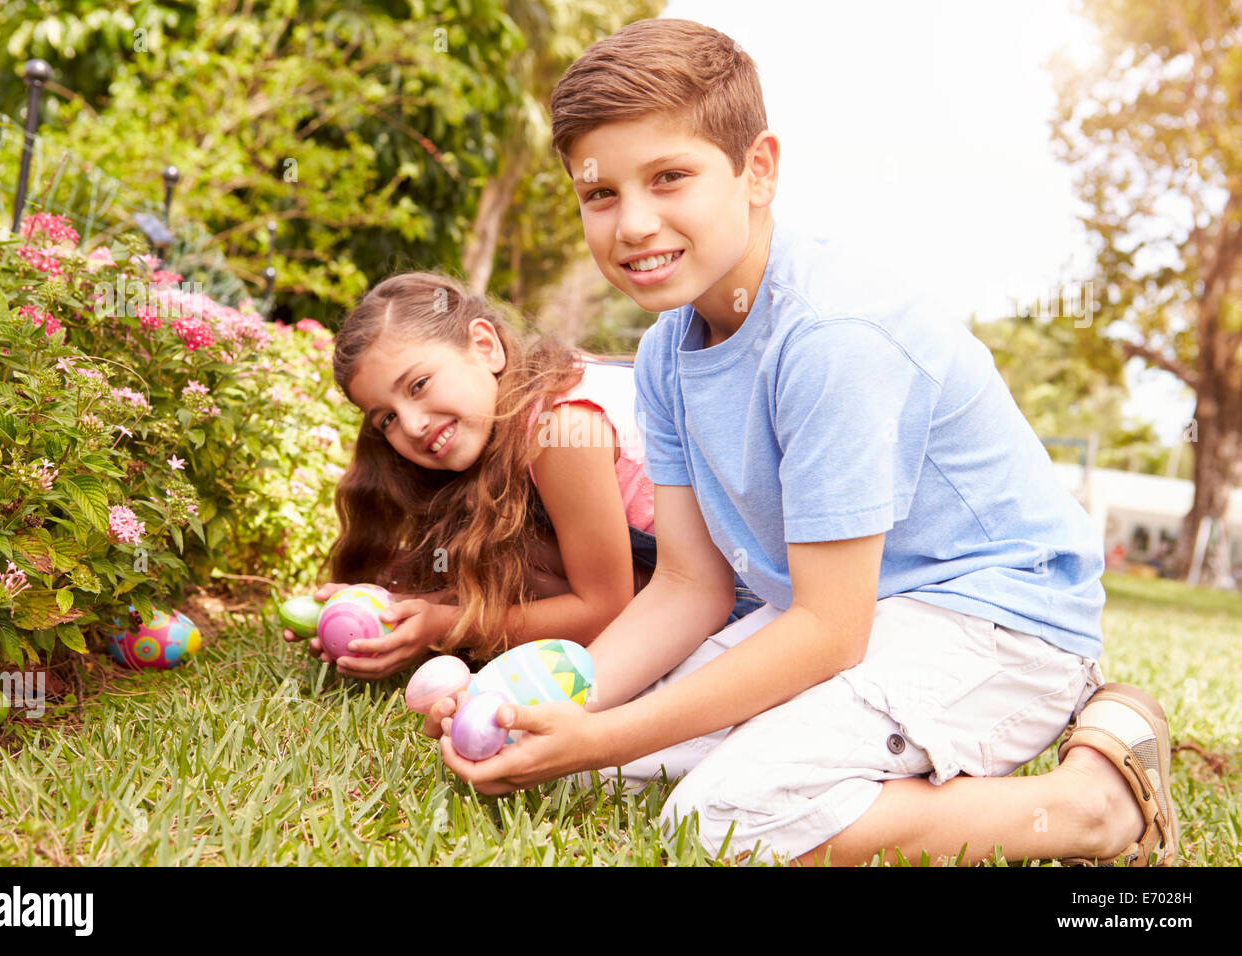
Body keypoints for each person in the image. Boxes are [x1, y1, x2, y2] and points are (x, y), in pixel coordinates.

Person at [429, 18, 1179, 868]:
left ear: (758, 170)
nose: (633, 223)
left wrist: (593, 737)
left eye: (670, 178)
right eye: (601, 194)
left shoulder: (830, 333)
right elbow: (686, 586)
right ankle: (870, 768)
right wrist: (550, 712)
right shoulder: (667, 353)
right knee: (616, 770)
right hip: (852, 617)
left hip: (994, 622)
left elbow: (829, 630)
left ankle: (1088, 804)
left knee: (719, 821)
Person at [283, 270, 764, 679]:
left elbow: (606, 611)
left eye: (419, 385)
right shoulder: (517, 418)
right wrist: (390, 608)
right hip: (692, 585)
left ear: (485, 347)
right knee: (492, 551)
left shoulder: (563, 428)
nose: (411, 425)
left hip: (749, 600)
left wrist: (444, 624)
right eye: (385, 417)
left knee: (508, 556)